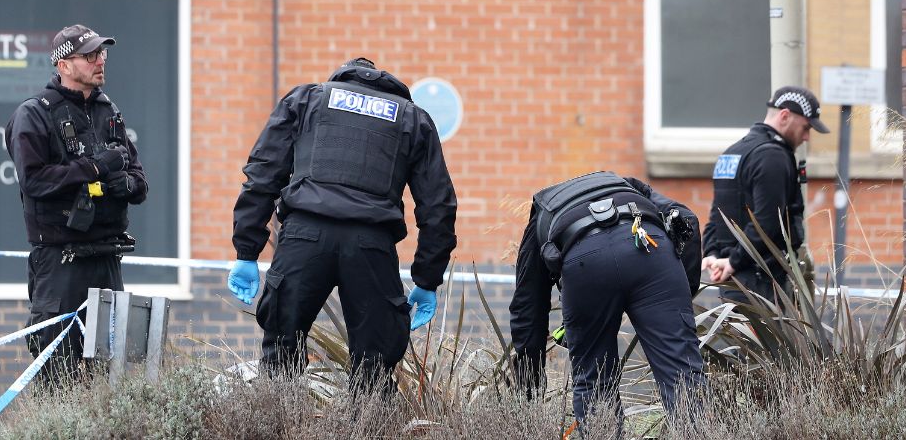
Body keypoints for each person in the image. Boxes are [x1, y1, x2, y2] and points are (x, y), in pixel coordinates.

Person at [228, 57, 457, 394]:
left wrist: (247, 252)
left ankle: (278, 425)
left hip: (303, 238)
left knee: (281, 358)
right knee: (374, 371)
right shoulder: (412, 119)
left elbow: (263, 174)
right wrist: (426, 279)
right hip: (371, 246)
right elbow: (438, 206)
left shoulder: (307, 100)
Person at [509, 171, 705, 435]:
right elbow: (687, 218)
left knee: (594, 385)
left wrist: (528, 390)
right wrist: (681, 300)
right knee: (683, 377)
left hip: (584, 261)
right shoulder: (629, 185)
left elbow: (527, 309)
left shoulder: (543, 209)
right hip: (650, 252)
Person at [5, 24, 148, 380]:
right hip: (60, 264)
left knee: (110, 378)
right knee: (59, 377)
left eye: (102, 53)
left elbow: (141, 185)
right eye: (89, 55)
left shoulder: (108, 111)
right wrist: (94, 168)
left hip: (107, 261)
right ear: (63, 65)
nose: (100, 60)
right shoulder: (34, 114)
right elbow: (35, 181)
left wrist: (121, 183)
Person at [701, 85, 829, 304]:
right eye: (806, 127)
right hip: (762, 283)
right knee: (768, 340)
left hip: (734, 281)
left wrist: (712, 255)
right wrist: (732, 262)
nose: (807, 137)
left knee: (736, 338)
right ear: (785, 116)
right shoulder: (772, 157)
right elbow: (766, 222)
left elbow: (717, 216)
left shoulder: (732, 153)